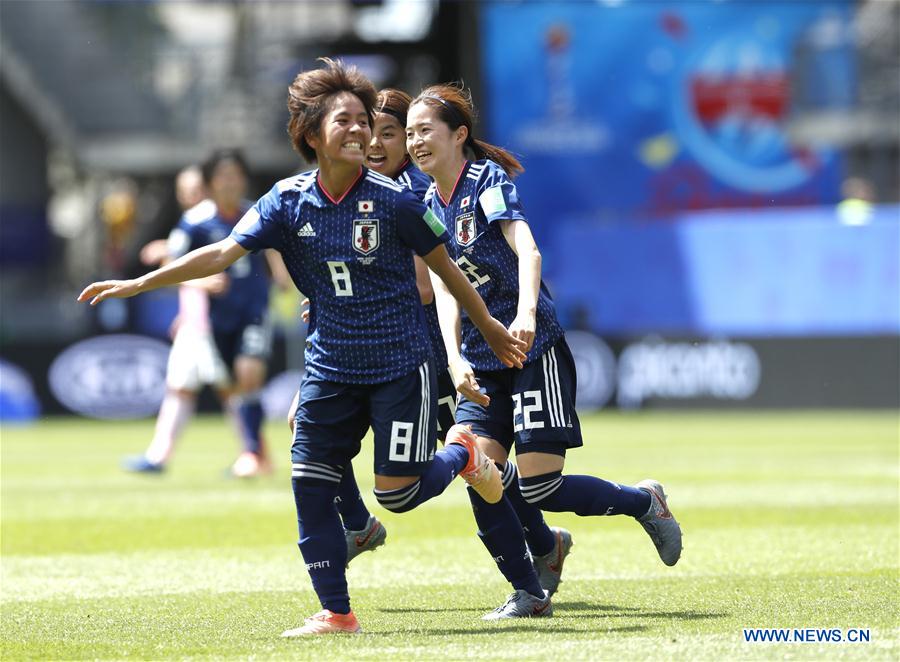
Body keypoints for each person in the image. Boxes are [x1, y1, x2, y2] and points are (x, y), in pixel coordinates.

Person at [78, 58, 530, 636]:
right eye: (345, 120)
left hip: (399, 366)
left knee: (399, 495)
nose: (360, 130)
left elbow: (447, 272)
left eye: (364, 120)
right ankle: (338, 613)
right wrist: (143, 281)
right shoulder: (285, 202)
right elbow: (219, 254)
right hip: (330, 367)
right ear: (312, 134)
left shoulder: (396, 202)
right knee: (309, 480)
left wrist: (489, 327)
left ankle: (462, 453)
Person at [406, 84, 683, 580]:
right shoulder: (426, 202)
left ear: (459, 134)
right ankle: (528, 587)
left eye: (425, 130)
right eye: (410, 133)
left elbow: (527, 250)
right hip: (480, 357)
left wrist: (527, 315)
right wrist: (455, 358)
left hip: (532, 351)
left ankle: (645, 503)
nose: (415, 142)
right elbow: (447, 290)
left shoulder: (485, 181)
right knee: (479, 473)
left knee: (541, 488)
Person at [125, 151, 286, 478]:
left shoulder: (256, 213)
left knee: (245, 375)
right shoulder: (195, 222)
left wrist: (282, 277)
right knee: (219, 387)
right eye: (222, 176)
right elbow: (169, 268)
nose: (229, 182)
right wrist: (198, 282)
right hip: (211, 322)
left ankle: (252, 454)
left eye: (234, 175)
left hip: (252, 311)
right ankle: (255, 453)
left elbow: (274, 246)